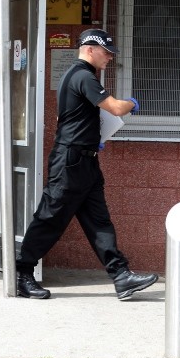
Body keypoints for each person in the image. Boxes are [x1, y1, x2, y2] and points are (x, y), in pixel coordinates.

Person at [15, 28, 158, 301]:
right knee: (50, 217)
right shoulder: (82, 76)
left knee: (98, 220)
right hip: (70, 163)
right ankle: (23, 274)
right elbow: (115, 108)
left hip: (86, 162)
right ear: (90, 49)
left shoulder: (79, 77)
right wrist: (132, 103)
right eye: (106, 52)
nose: (110, 58)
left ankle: (121, 276)